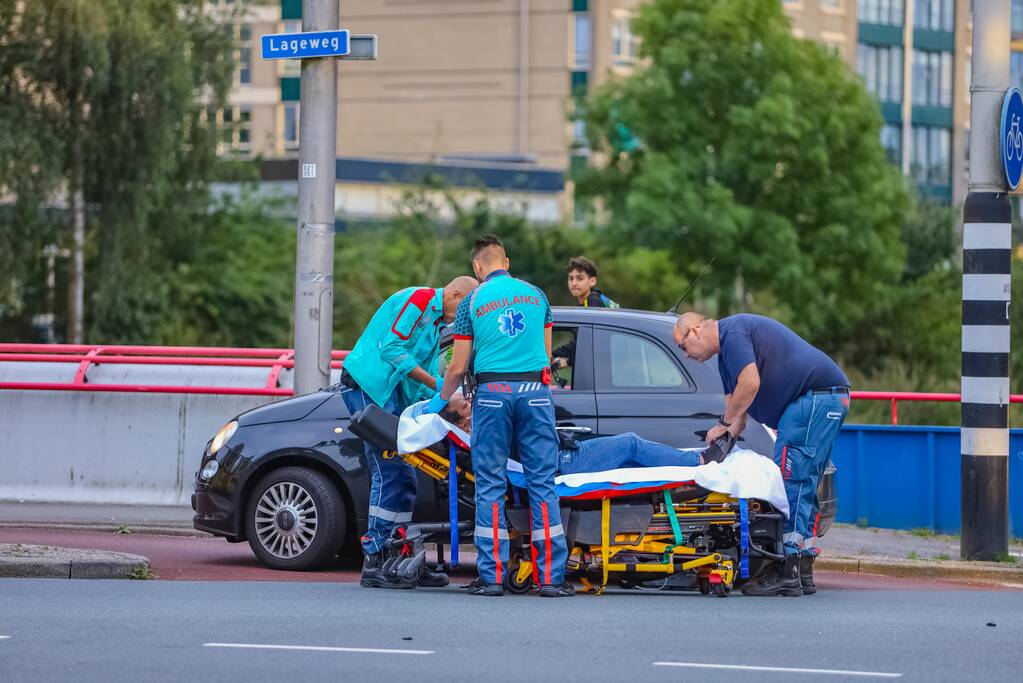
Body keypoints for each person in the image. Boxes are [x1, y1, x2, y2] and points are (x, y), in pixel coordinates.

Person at [434, 234, 573, 597]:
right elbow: (544, 354)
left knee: (491, 483)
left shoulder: (472, 302)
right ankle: (551, 580)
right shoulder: (538, 295)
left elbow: (458, 365)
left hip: (493, 395)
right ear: (506, 263)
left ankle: (492, 577)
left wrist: (440, 400)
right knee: (543, 481)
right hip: (535, 395)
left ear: (477, 268)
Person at [674, 312, 850, 597]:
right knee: (805, 482)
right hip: (825, 397)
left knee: (792, 479)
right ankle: (802, 570)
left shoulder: (732, 333)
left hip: (812, 398)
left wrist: (722, 423)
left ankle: (786, 570)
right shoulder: (726, 357)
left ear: (694, 331)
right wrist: (723, 435)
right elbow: (738, 416)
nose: (686, 355)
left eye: (683, 347)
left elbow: (751, 384)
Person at [341, 276, 477, 589]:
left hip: (389, 395)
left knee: (406, 474)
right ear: (454, 294)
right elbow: (391, 349)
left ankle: (399, 555)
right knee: (387, 469)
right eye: (464, 309)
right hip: (367, 387)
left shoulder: (437, 325)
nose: (463, 319)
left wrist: (447, 412)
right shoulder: (418, 300)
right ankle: (375, 559)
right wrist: (441, 389)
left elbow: (416, 387)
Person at [553, 257, 619, 371]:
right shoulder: (590, 302)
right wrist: (559, 356)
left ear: (592, 281)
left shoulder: (593, 301)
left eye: (580, 278)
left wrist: (558, 356)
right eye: (570, 278)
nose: (574, 283)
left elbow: (590, 344)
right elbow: (582, 342)